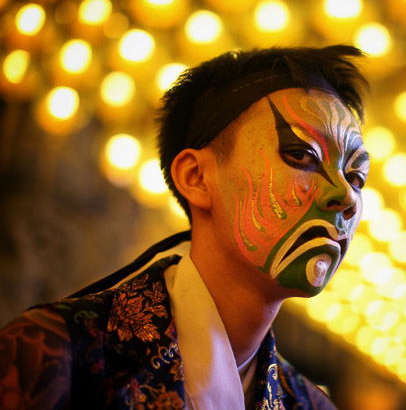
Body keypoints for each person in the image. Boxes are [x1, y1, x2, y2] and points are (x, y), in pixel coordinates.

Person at [0, 45, 371, 409]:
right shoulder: (51, 351)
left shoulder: (310, 404)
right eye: (302, 155)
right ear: (196, 176)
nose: (346, 197)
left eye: (356, 176)